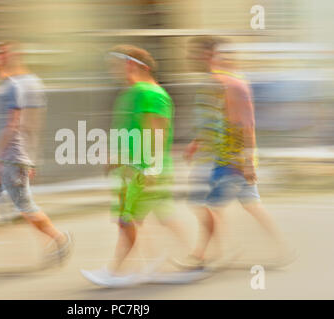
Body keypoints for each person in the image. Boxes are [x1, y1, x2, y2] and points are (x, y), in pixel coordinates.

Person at [181, 36, 294, 269]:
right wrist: (197, 142)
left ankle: (204, 255)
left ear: (211, 55)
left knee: (206, 205)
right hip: (220, 159)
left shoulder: (232, 85)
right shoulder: (211, 84)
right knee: (244, 204)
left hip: (229, 161)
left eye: (197, 52)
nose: (191, 57)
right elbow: (213, 120)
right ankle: (275, 248)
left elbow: (246, 125)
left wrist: (247, 162)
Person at [82, 45, 189, 287]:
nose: (116, 69)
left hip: (145, 170)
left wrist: (152, 166)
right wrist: (115, 157)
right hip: (133, 169)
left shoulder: (150, 94)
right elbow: (129, 131)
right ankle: (170, 263)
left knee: (128, 220)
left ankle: (115, 271)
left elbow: (157, 132)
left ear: (137, 65)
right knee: (154, 217)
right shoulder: (131, 93)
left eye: (120, 63)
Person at [0, 41, 72, 265]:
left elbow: (30, 125)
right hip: (1, 159)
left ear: (14, 56)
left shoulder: (27, 84)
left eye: (1, 55)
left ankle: (58, 240)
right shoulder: (3, 84)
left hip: (15, 158)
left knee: (25, 208)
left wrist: (31, 160)